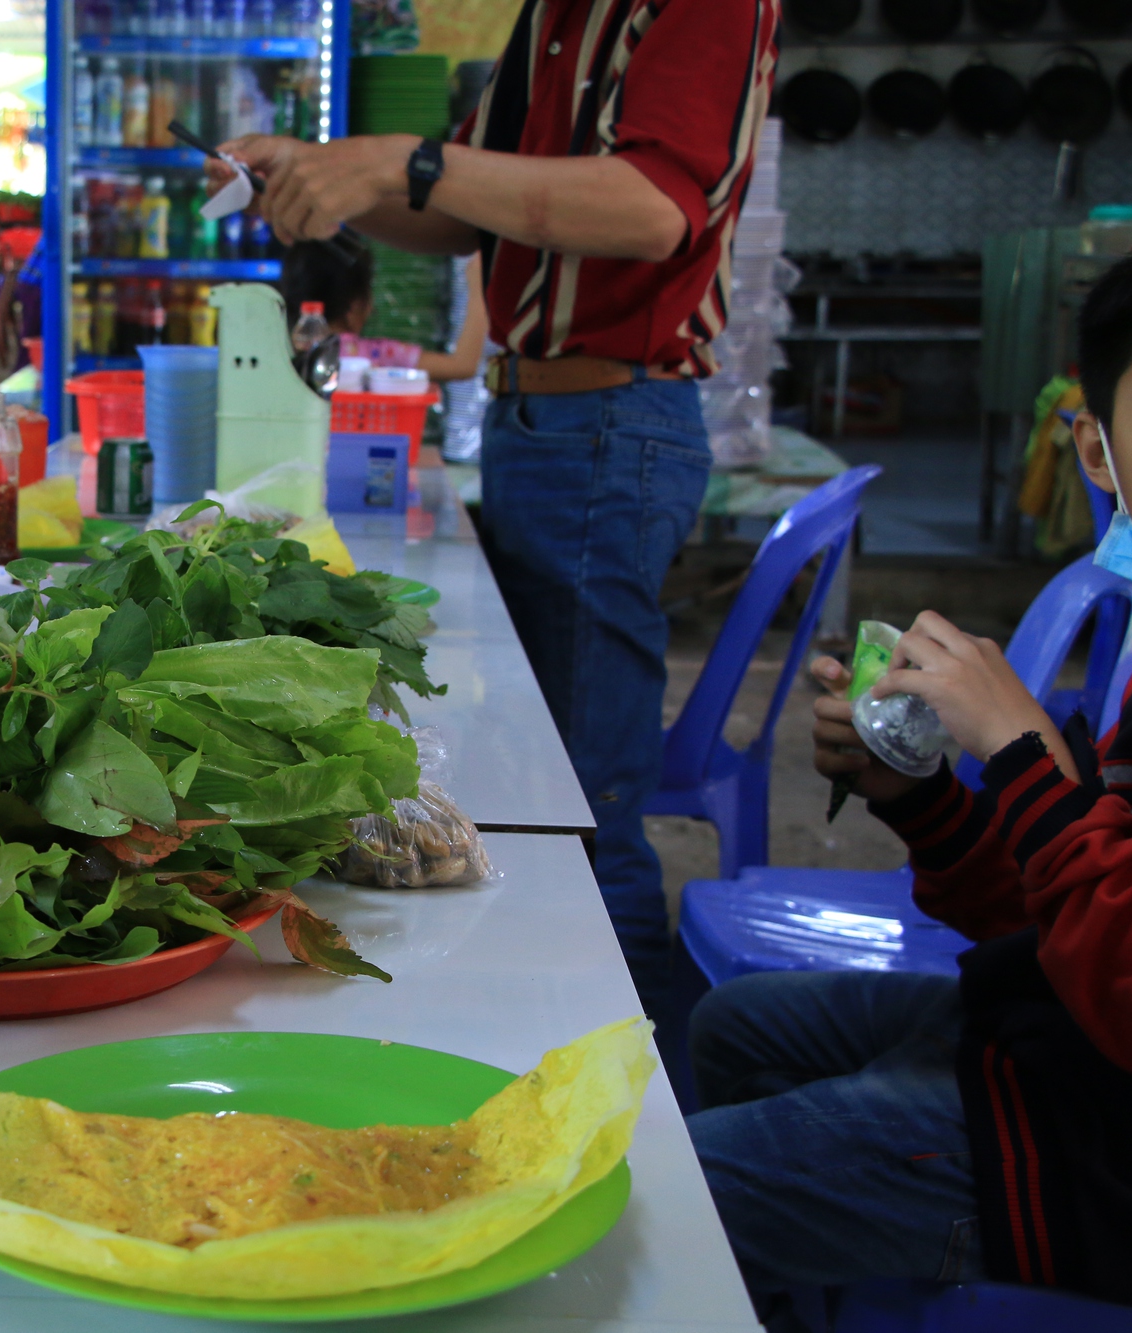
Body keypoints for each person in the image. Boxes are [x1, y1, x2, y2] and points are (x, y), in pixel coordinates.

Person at [220, 0, 778, 1009]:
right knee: (542, 775)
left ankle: (637, 1101)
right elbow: (457, 213)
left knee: (587, 807)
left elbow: (653, 207)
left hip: (606, 424)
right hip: (546, 423)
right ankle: (551, 1030)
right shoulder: (558, 16)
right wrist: (324, 171)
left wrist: (399, 161)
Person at [689, 242, 1132, 1327]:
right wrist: (922, 797)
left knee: (649, 1186)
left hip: (1101, 1171)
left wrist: (1024, 760)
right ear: (1097, 452)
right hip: (1055, 1061)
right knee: (734, 1030)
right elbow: (1053, 910)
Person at [278, 240, 489, 383]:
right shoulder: (377, 357)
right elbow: (463, 366)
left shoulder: (279, 358)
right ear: (355, 306)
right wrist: (480, 287)